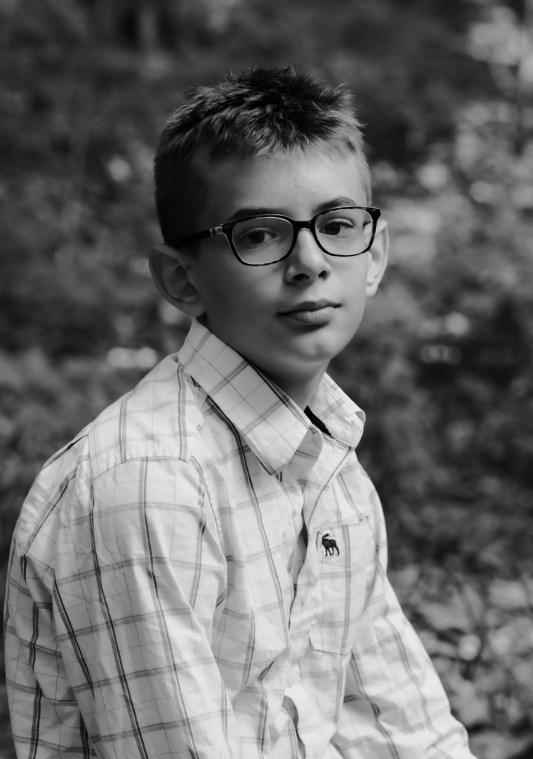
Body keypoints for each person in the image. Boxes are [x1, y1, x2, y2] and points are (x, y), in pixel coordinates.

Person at [4, 66, 476, 758]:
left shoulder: (331, 472)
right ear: (181, 278)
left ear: (374, 254)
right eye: (259, 235)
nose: (309, 261)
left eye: (337, 225)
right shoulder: (149, 483)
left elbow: (407, 731)